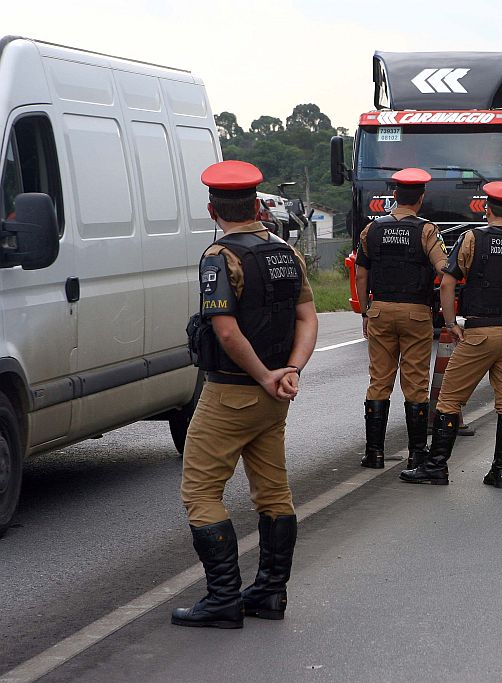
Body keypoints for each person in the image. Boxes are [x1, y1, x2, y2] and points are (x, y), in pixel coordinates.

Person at [172, 160, 318, 629]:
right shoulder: (285, 251)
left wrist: (262, 376)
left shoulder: (220, 256)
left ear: (212, 210)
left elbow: (226, 331)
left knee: (200, 492)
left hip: (232, 392)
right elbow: (308, 317)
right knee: (273, 492)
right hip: (275, 398)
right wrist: (290, 371)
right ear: (257, 207)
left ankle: (223, 599)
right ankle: (271, 592)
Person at [399, 182, 502, 488]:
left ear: (486, 209)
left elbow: (447, 283)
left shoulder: (472, 239)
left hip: (479, 333)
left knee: (449, 400)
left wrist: (450, 323)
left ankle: (436, 466)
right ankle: (501, 471)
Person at [355, 168, 448, 470]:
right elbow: (443, 268)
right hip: (415, 312)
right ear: (421, 198)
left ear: (394, 195)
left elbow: (360, 273)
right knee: (416, 383)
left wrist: (366, 311)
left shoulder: (372, 229)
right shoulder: (427, 230)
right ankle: (417, 454)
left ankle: (374, 453)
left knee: (379, 380)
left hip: (380, 310)